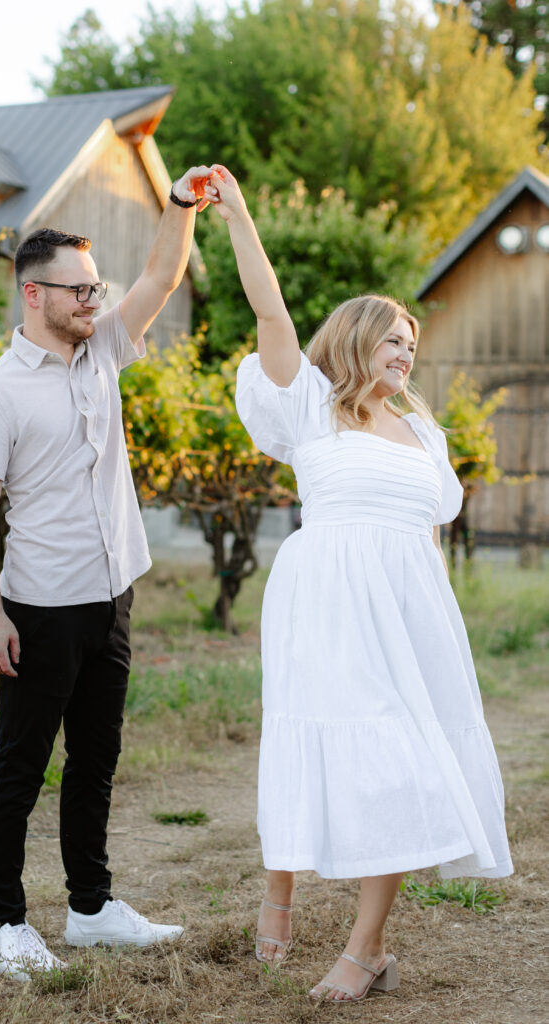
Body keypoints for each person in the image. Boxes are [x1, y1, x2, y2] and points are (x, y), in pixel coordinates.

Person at [202, 166, 513, 1003]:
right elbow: (269, 310)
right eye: (391, 340)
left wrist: (413, 405)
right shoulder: (310, 406)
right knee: (310, 736)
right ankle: (279, 892)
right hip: (326, 599)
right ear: (353, 341)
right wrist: (237, 216)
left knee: (407, 762)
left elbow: (431, 517)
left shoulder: (423, 429)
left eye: (411, 344)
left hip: (408, 606)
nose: (405, 353)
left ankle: (365, 947)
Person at [0, 166, 214, 980]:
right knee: (21, 765)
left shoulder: (103, 346)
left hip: (112, 595)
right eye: (77, 290)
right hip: (40, 606)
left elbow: (159, 275)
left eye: (94, 287)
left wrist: (178, 205)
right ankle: (0, 926)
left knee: (96, 759)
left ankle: (92, 908)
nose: (93, 301)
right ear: (33, 295)